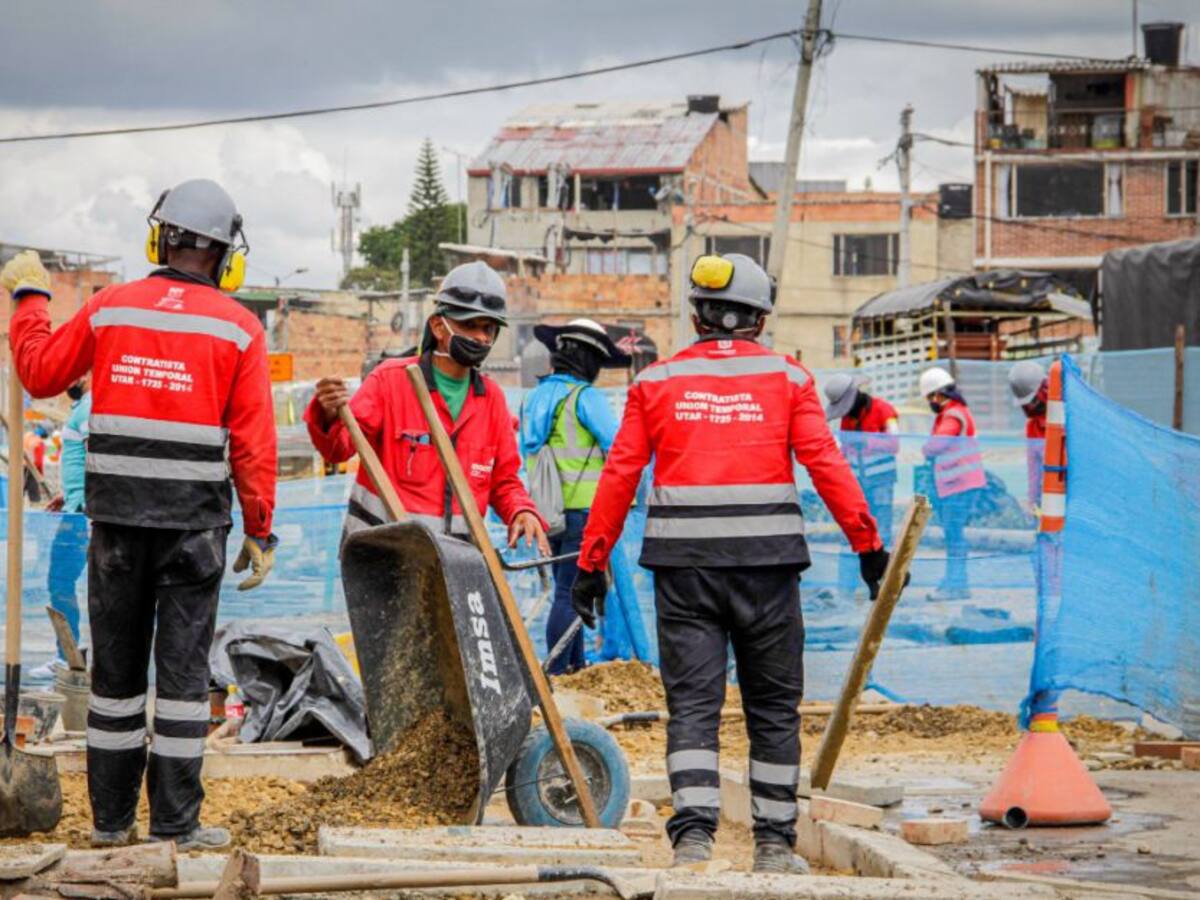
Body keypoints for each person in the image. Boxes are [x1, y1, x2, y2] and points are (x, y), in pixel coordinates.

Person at [570, 253, 888, 873]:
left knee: (692, 706)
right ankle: (773, 846)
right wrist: (867, 545)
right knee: (772, 708)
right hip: (768, 570)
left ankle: (692, 842)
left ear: (696, 314)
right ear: (761, 319)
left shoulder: (655, 383)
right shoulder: (790, 380)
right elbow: (826, 465)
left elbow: (620, 475)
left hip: (683, 572)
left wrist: (591, 562)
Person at [2, 178, 278, 851]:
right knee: (183, 685)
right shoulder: (239, 328)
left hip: (117, 529)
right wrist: (261, 528)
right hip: (194, 533)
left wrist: (30, 298)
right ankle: (177, 827)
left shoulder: (111, 309)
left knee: (115, 685)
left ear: (159, 238)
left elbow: (37, 372)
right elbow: (253, 440)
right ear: (225, 256)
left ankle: (110, 825)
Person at [306, 260, 549, 556]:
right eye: (469, 324)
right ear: (438, 326)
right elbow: (339, 448)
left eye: (488, 328)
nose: (482, 337)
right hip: (381, 554)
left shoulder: (492, 401)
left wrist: (521, 511)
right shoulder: (389, 381)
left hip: (454, 560)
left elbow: (504, 480)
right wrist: (328, 413)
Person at [519, 318, 630, 674]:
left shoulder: (533, 398)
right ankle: (556, 671)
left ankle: (575, 668)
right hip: (586, 510)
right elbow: (619, 449)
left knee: (567, 589)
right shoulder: (585, 397)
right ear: (588, 360)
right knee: (572, 591)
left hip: (547, 512)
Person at [30, 378, 92, 680]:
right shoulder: (81, 408)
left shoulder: (93, 406)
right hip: (76, 510)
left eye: (76, 373)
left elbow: (100, 460)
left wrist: (84, 502)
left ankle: (69, 657)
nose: (69, 380)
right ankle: (67, 655)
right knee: (61, 586)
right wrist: (70, 494)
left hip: (83, 518)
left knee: (61, 584)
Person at [823, 374, 900, 601]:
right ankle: (846, 588)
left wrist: (865, 441)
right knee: (852, 534)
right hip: (856, 487)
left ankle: (885, 588)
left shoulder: (884, 410)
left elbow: (894, 443)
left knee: (882, 532)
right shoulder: (848, 420)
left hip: (881, 483)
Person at [919, 366, 985, 601]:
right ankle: (955, 582)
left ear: (938, 394)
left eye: (929, 397)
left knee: (954, 537)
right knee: (953, 536)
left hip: (960, 485)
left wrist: (926, 448)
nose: (930, 402)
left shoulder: (953, 415)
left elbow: (936, 445)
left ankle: (956, 585)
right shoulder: (955, 412)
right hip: (956, 485)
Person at [1008, 360, 1047, 517]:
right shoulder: (1033, 426)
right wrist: (1033, 502)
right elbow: (1034, 469)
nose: (1030, 407)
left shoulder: (1070, 413)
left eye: (1033, 401)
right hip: (1051, 497)